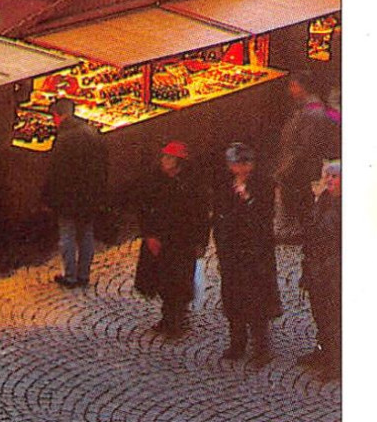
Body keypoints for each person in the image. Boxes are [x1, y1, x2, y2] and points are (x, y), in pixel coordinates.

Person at [130, 140, 210, 338]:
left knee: (178, 282)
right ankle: (169, 318)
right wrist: (149, 234)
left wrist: (201, 241)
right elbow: (144, 209)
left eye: (169, 158)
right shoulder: (154, 180)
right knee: (163, 281)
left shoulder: (191, 184)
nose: (164, 161)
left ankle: (176, 321)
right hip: (161, 239)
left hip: (183, 240)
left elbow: (201, 214)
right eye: (164, 157)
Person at [211, 142, 281, 367]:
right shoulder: (224, 185)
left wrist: (248, 200)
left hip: (255, 253)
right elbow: (220, 216)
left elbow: (264, 217)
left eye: (244, 164)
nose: (240, 170)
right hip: (232, 251)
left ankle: (261, 347)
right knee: (234, 298)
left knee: (256, 300)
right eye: (235, 165)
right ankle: (237, 342)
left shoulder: (262, 184)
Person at [42, 98, 108, 288]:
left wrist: (48, 196)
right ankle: (84, 274)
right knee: (86, 234)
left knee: (68, 235)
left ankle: (70, 275)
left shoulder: (64, 139)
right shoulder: (92, 132)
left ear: (58, 116)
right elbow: (103, 165)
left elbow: (55, 172)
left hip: (69, 197)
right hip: (90, 194)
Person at [273, 70, 340, 243]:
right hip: (296, 164)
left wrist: (286, 168)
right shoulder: (304, 107)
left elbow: (304, 147)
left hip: (299, 167)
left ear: (303, 88)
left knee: (297, 197)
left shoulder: (312, 113)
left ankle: (301, 231)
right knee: (299, 196)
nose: (291, 89)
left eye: (294, 86)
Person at [298, 160, 341, 381]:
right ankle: (322, 350)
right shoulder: (321, 201)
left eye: (335, 177)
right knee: (320, 314)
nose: (330, 181)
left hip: (334, 270)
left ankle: (337, 363)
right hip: (317, 268)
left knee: (335, 317)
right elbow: (311, 231)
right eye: (328, 177)